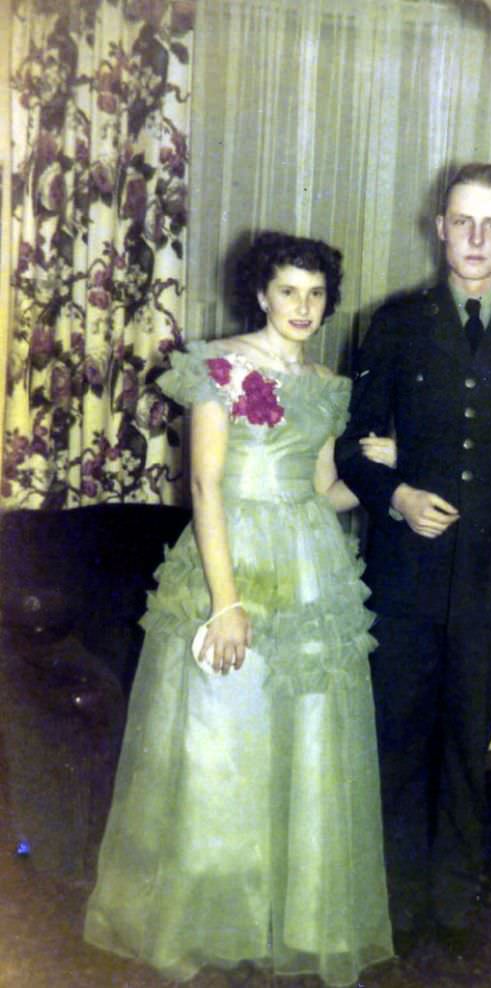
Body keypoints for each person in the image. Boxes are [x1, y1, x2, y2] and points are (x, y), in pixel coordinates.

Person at [84, 231, 396, 986]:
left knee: (302, 738)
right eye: (288, 290)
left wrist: (377, 474)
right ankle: (208, 915)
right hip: (233, 562)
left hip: (310, 561)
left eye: (316, 294)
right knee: (225, 738)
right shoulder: (221, 365)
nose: (303, 306)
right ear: (261, 293)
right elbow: (205, 487)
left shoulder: (326, 381)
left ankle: (281, 917)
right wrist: (226, 605)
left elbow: (324, 489)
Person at [334, 163, 491, 950]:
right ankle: (395, 905)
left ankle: (454, 908)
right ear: (438, 226)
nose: (476, 238)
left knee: (467, 742)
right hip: (405, 577)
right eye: (462, 221)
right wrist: (399, 497)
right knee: (399, 739)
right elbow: (351, 446)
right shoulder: (394, 322)